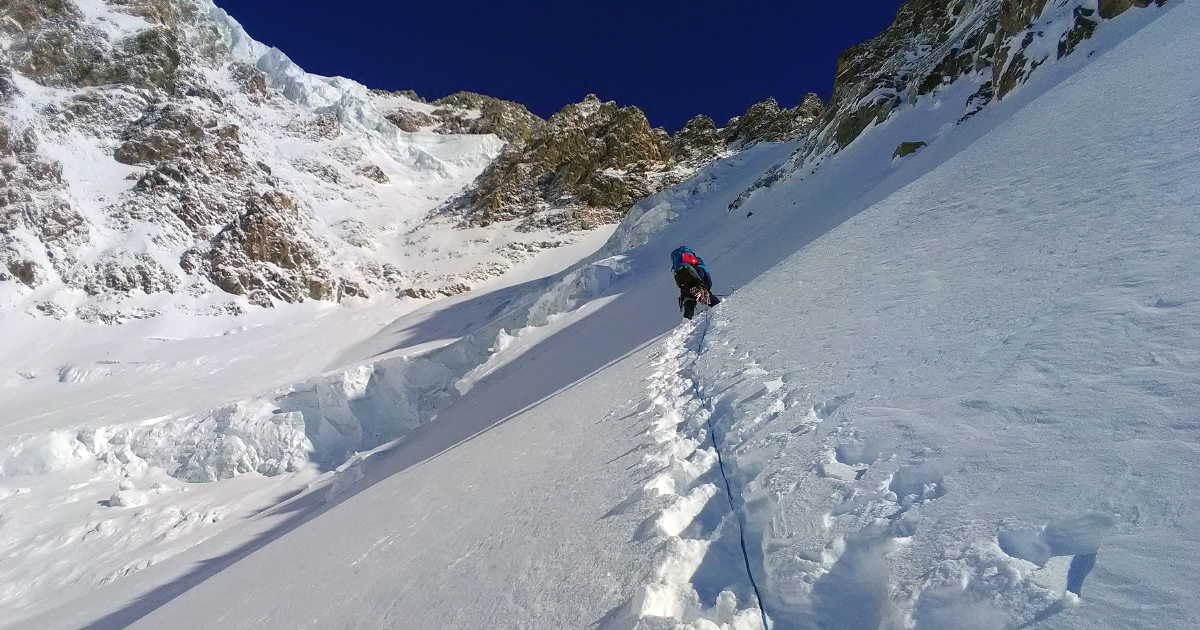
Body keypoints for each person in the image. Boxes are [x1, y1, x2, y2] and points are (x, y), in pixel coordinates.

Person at [671, 245, 720, 319]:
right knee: (713, 301)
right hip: (697, 284)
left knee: (689, 304)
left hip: (685, 288)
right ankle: (721, 310)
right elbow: (704, 272)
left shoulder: (677, 265)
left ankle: (687, 322)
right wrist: (707, 286)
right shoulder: (695, 259)